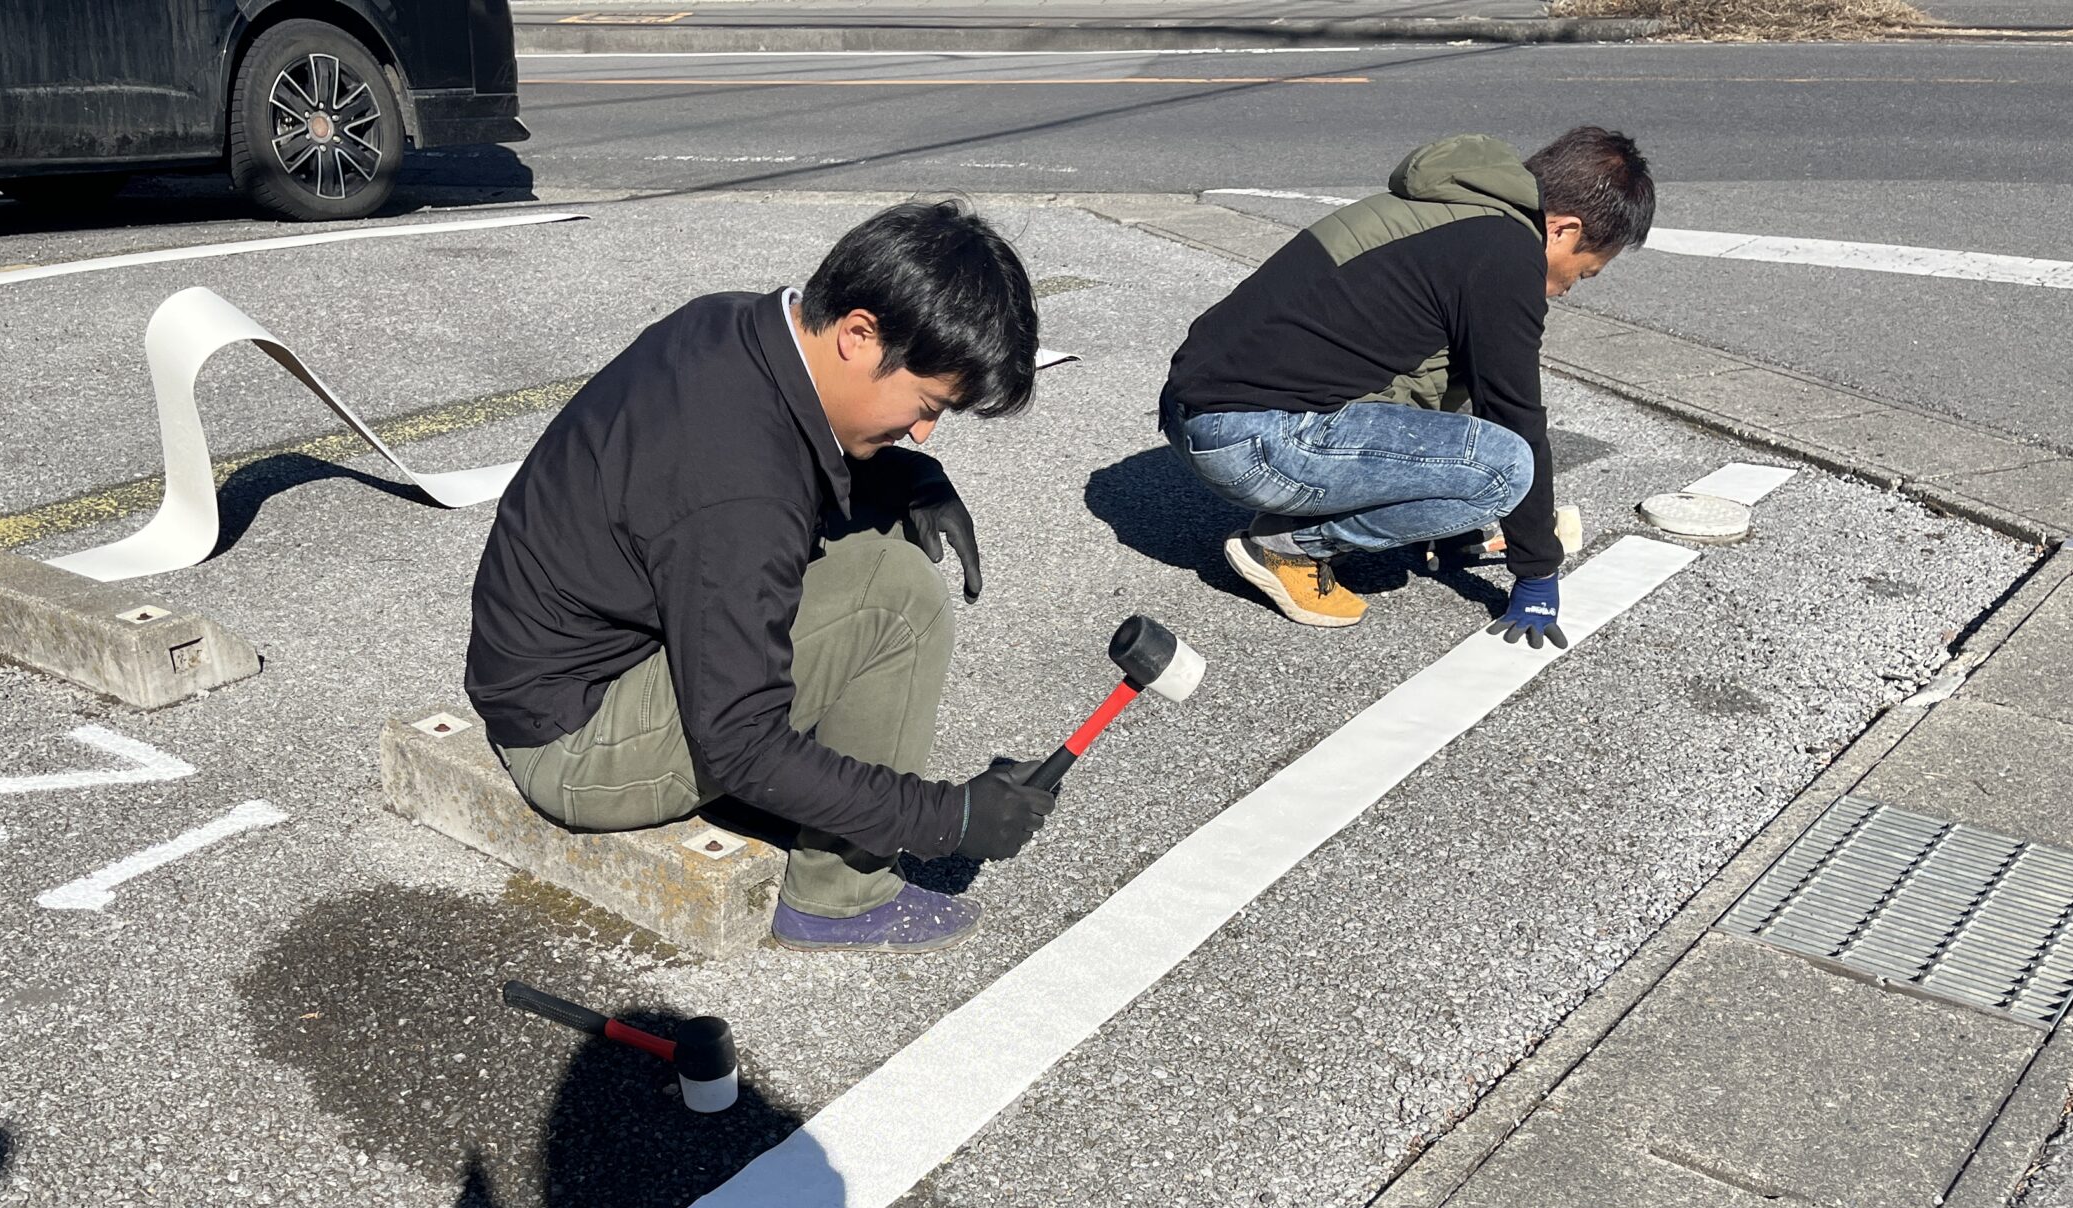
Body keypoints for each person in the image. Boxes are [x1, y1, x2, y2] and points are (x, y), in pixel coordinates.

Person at [467, 201, 1051, 955]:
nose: (923, 429)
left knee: (876, 547)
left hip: (556, 671)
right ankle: (841, 897)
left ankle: (815, 808)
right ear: (859, 334)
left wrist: (905, 478)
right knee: (897, 598)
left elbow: (761, 462)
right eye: (928, 406)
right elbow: (739, 740)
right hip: (573, 744)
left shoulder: (733, 326)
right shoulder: (742, 491)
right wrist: (947, 819)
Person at [1157, 127, 1656, 645]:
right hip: (1251, 442)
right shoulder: (1506, 255)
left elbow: (1418, 383)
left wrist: (1443, 511)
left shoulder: (1448, 209)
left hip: (1194, 413)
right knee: (1505, 470)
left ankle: (1299, 514)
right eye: (1585, 272)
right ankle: (1290, 547)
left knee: (1468, 440)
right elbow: (1515, 417)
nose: (1570, 288)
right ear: (1564, 230)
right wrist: (1537, 571)